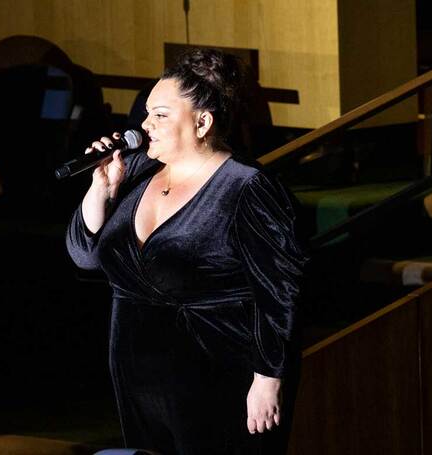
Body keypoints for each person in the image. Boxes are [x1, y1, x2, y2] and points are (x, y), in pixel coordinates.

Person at [66, 48, 307, 454]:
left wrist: (269, 378)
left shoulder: (246, 188)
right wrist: (100, 189)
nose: (145, 125)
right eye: (146, 113)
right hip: (138, 380)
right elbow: (85, 257)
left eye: (159, 115)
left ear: (202, 122)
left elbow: (281, 294)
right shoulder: (137, 171)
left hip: (218, 375)